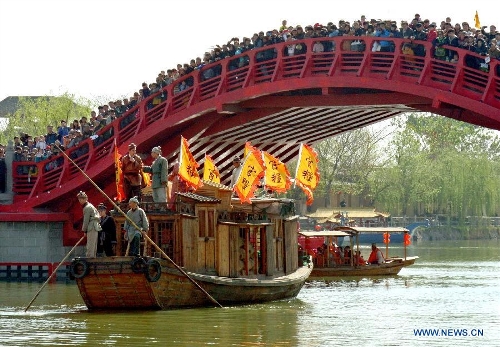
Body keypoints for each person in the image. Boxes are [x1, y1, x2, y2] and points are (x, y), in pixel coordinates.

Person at [77, 191, 102, 258]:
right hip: (94, 226)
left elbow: (86, 220)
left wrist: (84, 231)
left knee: (90, 245)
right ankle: (92, 257)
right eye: (79, 199)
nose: (80, 200)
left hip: (91, 226)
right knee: (93, 245)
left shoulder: (87, 207)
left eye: (81, 199)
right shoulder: (90, 206)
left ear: (85, 199)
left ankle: (90, 259)